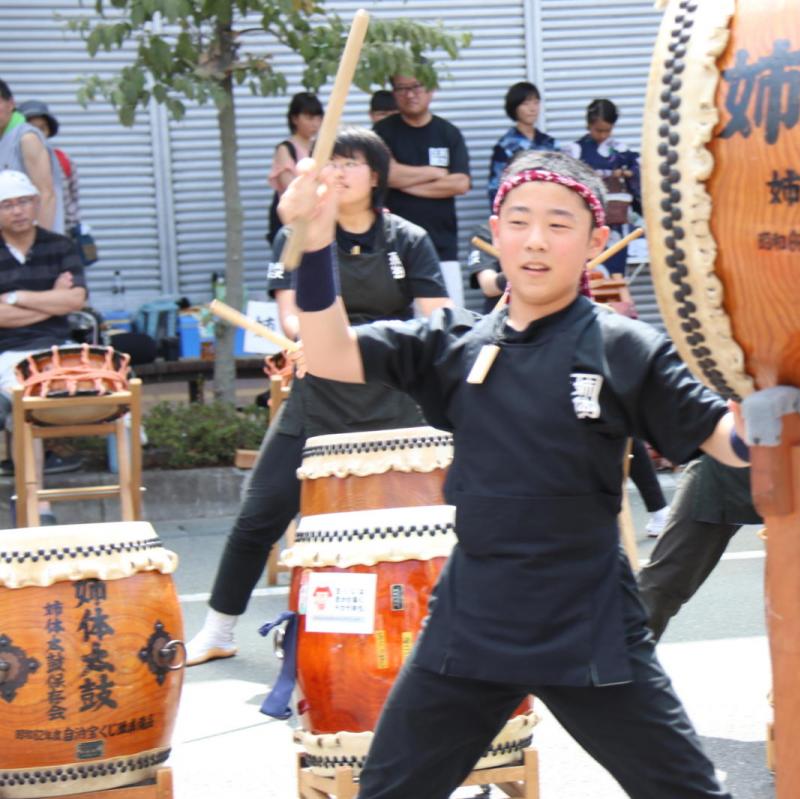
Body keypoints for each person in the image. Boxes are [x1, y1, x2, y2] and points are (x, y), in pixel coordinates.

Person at [282, 148, 747, 798]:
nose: (536, 240)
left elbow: (732, 442)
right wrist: (313, 239)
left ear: (596, 241)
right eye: (520, 220)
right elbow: (328, 352)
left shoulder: (622, 346)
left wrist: (779, 409)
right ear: (494, 232)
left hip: (587, 620)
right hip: (473, 622)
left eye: (559, 224)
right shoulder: (452, 342)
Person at [185, 128, 452, 666]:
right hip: (321, 396)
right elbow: (289, 313)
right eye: (330, 162)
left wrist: (379, 345)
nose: (340, 171)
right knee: (260, 513)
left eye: (352, 163)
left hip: (396, 400)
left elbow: (436, 318)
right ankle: (218, 629)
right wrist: (307, 338)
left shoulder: (408, 238)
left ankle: (440, 624)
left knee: (430, 522)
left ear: (375, 175)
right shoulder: (301, 236)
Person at [0, 170, 88, 518]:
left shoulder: (60, 245)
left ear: (36, 204)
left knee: (120, 399)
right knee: (24, 407)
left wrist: (17, 298)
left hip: (58, 349)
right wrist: (52, 298)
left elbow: (75, 301)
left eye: (23, 202)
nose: (17, 210)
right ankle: (37, 504)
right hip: (6, 352)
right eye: (7, 205)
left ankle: (134, 505)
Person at [373, 72, 470, 307]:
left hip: (442, 244)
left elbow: (460, 184)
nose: (409, 94)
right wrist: (434, 173)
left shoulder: (448, 133)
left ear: (431, 89)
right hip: (394, 247)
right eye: (401, 88)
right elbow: (387, 176)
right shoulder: (382, 132)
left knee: (448, 322)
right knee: (401, 324)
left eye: (416, 86)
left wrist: (404, 181)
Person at [638, 454, 759, 637]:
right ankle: (620, 657)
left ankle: (619, 657)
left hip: (789, 458)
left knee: (661, 586)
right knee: (661, 586)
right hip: (734, 458)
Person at [561, 98, 640, 276]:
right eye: (598, 130)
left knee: (615, 275)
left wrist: (629, 174)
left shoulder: (622, 151)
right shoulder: (574, 151)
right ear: (589, 125)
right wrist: (609, 175)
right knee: (585, 273)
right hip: (584, 223)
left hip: (615, 226)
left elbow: (637, 181)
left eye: (608, 130)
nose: (603, 135)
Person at [0, 79, 63, 233]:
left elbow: (46, 194)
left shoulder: (27, 138)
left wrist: (39, 247)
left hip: (33, 247)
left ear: (11, 104)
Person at [266, 92, 323, 244]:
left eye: (318, 118)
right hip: (292, 223)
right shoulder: (286, 149)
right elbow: (289, 187)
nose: (315, 124)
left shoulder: (320, 147)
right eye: (309, 118)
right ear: (294, 119)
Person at [487, 81, 556, 203]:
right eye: (526, 103)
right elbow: (496, 188)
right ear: (514, 107)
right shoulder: (505, 147)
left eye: (536, 102)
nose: (532, 109)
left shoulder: (550, 143)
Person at [17, 101, 79, 234]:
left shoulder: (63, 160)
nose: (37, 134)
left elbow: (72, 200)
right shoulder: (11, 162)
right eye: (31, 128)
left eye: (42, 128)